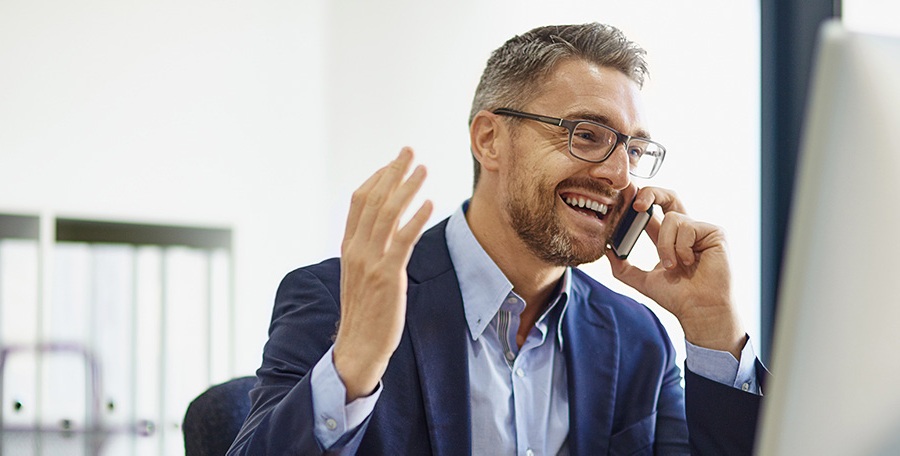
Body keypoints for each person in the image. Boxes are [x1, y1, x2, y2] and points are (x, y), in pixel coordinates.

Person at [227, 23, 765, 456]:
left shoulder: (637, 338)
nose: (621, 176)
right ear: (490, 140)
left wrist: (714, 328)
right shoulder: (337, 299)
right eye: (587, 135)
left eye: (632, 149)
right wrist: (354, 364)